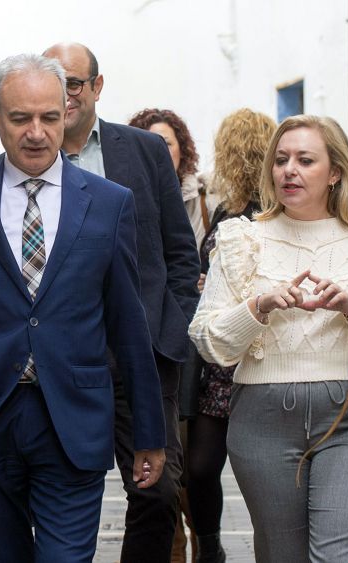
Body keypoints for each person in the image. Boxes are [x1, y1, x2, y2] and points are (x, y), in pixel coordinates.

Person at [0, 53, 168, 563]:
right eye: (20, 117)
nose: (36, 132)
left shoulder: (109, 203)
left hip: (75, 420)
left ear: (66, 112)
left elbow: (128, 324)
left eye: (49, 116)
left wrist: (149, 432)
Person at [189, 114, 348, 562]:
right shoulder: (241, 240)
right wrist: (258, 308)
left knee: (344, 557)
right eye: (280, 160)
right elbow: (207, 339)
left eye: (304, 160)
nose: (289, 170)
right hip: (261, 420)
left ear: (335, 172)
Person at [44, 42, 200, 562]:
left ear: (97, 86)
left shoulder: (143, 151)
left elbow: (180, 253)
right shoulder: (29, 158)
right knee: (62, 496)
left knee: (157, 493)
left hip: (144, 357)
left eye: (73, 83)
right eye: (53, 81)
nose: (64, 94)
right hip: (66, 361)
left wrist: (171, 326)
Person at [185, 108, 276, 563]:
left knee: (266, 472)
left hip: (263, 354)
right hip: (220, 363)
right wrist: (207, 280)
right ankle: (210, 548)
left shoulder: (278, 212)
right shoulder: (225, 209)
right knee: (200, 467)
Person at [127, 107, 205, 563]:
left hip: (178, 346)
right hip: (128, 348)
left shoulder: (200, 197)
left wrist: (175, 321)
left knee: (180, 472)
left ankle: (204, 545)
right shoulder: (123, 185)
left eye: (168, 143)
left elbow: (182, 258)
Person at [128, 108, 215, 248]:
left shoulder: (207, 201)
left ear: (182, 149)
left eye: (166, 144)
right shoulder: (126, 202)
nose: (160, 151)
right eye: (151, 144)